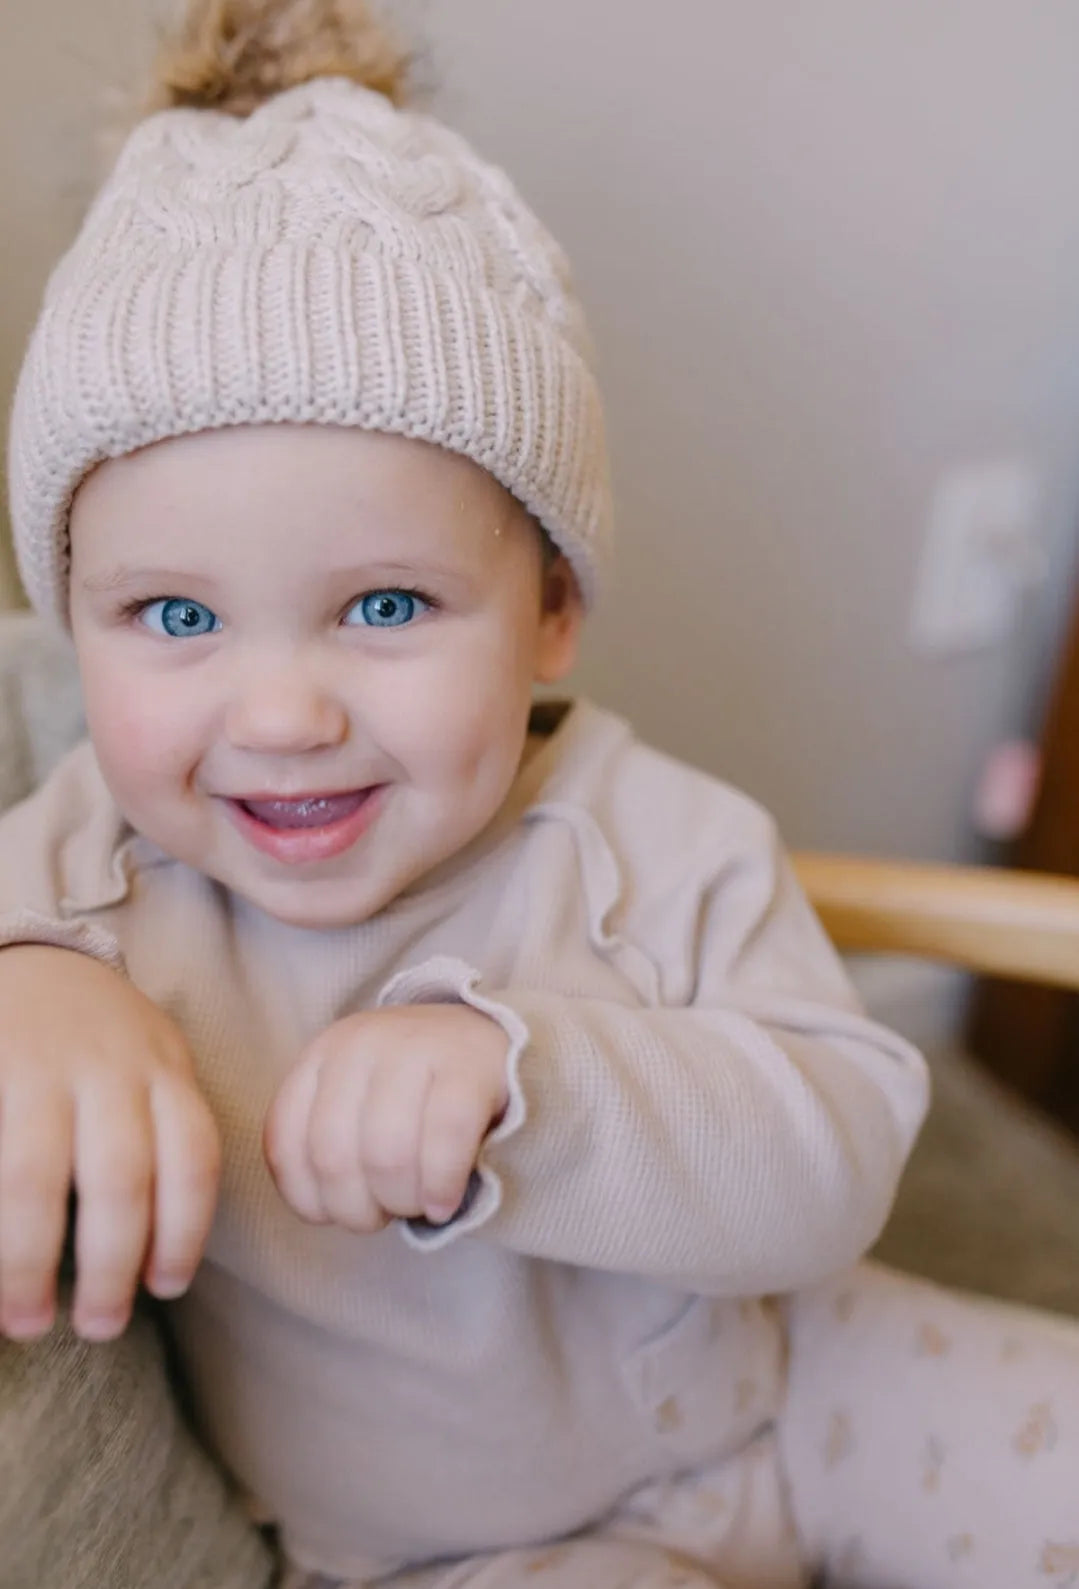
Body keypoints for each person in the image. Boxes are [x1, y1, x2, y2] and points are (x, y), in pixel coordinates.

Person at [1, 3, 1077, 1585]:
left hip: (796, 1382)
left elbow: (835, 1157)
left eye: (384, 607)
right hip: (469, 1550)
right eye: (175, 617)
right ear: (73, 622)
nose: (284, 713)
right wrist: (28, 990)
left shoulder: (656, 836)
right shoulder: (86, 872)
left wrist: (534, 1090)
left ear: (553, 608)